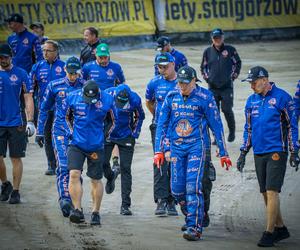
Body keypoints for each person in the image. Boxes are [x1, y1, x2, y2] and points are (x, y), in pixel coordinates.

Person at [154, 65, 232, 241]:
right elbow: (162, 124)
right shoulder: (171, 96)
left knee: (192, 187)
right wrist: (159, 150)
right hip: (176, 148)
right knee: (176, 191)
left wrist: (223, 151)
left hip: (197, 147)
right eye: (180, 83)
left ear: (194, 81)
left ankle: (194, 227)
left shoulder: (205, 97)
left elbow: (216, 125)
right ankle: (195, 213)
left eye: (185, 83)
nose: (181, 86)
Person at [237, 66, 299, 247]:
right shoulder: (251, 101)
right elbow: (248, 129)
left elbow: (292, 126)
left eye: (254, 82)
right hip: (258, 152)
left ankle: (269, 232)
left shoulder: (283, 98)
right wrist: (243, 152)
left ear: (264, 80)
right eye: (250, 83)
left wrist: (294, 150)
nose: (251, 86)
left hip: (276, 151)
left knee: (272, 191)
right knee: (264, 192)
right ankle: (280, 228)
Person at [35, 57, 84, 217]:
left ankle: (76, 203)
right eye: (70, 73)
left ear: (79, 72)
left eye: (75, 73)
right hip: (60, 132)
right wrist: (40, 131)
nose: (72, 76)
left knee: (75, 170)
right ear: (65, 71)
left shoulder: (85, 86)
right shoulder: (54, 85)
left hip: (79, 134)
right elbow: (44, 108)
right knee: (63, 167)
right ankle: (65, 199)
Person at [63, 80, 116, 225]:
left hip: (96, 145)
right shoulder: (72, 97)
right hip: (77, 144)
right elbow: (66, 117)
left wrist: (104, 136)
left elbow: (113, 121)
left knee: (95, 179)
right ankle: (77, 210)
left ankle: (95, 212)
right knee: (74, 174)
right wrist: (71, 132)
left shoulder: (108, 99)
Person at [0, 43, 35, 204]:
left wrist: (30, 121)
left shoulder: (21, 74)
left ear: (11, 57)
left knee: (15, 158)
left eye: (5, 57)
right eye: (0, 57)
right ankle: (5, 183)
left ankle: (15, 191)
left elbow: (28, 98)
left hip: (17, 122)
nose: (3, 60)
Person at [104, 84, 145, 215]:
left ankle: (125, 205)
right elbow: (98, 113)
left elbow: (140, 116)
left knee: (126, 169)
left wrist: (135, 133)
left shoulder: (135, 99)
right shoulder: (107, 95)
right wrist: (101, 132)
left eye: (124, 103)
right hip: (109, 134)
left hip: (126, 136)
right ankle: (111, 176)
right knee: (103, 163)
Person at [82, 42, 125, 168]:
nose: (103, 60)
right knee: (95, 132)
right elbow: (81, 86)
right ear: (96, 55)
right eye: (101, 57)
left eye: (105, 57)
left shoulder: (116, 67)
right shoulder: (87, 67)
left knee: (113, 132)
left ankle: (115, 161)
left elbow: (122, 85)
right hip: (93, 106)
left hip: (110, 106)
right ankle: (95, 158)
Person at [145, 52, 178, 216]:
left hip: (178, 130)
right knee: (159, 161)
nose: (162, 70)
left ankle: (172, 200)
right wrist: (158, 119)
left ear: (173, 64)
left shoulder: (182, 82)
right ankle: (160, 200)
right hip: (159, 128)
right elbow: (149, 102)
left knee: (175, 161)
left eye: (165, 67)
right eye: (159, 67)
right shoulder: (154, 83)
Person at [30, 40, 66, 175]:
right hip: (44, 109)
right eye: (43, 50)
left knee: (61, 136)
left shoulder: (64, 66)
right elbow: (30, 89)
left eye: (48, 50)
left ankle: (63, 163)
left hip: (61, 108)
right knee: (47, 136)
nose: (44, 53)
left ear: (56, 51)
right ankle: (51, 164)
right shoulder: (37, 67)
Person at [200, 28, 241, 142]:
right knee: (214, 113)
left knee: (226, 109)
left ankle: (232, 131)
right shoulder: (207, 52)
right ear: (212, 39)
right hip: (212, 88)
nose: (217, 40)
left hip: (227, 87)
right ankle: (217, 136)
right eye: (215, 38)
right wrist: (207, 78)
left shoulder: (230, 50)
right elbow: (203, 67)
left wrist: (233, 76)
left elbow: (237, 62)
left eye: (219, 37)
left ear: (223, 37)